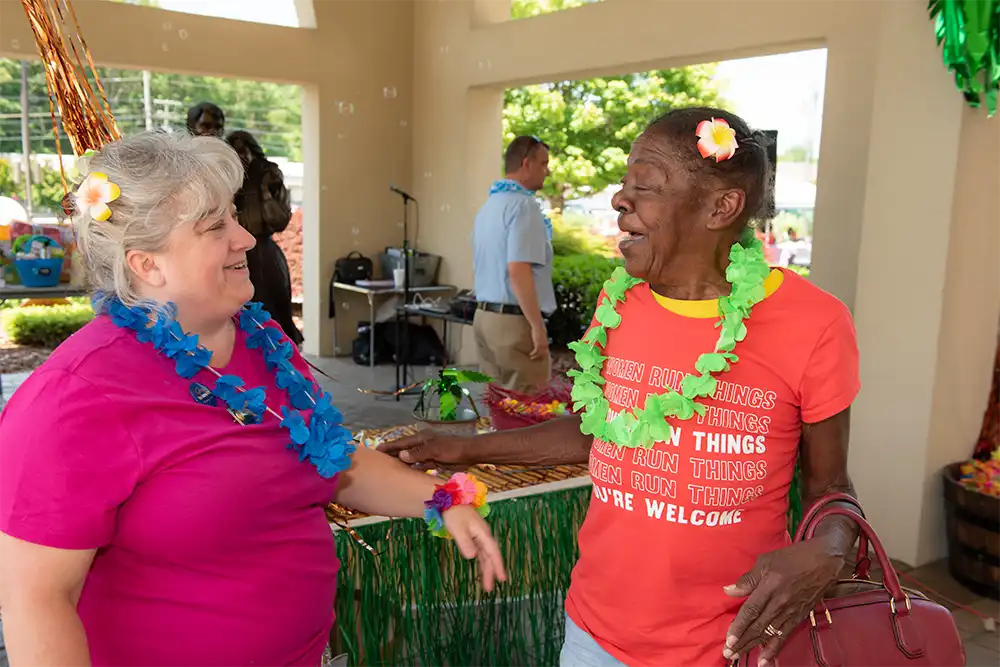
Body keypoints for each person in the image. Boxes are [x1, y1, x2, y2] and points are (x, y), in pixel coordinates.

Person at [0, 131, 506, 667]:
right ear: (147, 264)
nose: (244, 238)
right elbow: (37, 599)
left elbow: (331, 459)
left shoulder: (264, 344)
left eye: (233, 216)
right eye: (216, 226)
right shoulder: (77, 396)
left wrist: (440, 500)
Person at [382, 108, 861, 667]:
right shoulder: (620, 303)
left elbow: (832, 487)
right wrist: (461, 446)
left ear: (721, 206)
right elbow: (601, 435)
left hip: (730, 646)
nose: (618, 200)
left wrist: (830, 548)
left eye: (646, 186)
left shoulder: (814, 323)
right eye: (625, 182)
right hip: (595, 635)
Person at [471, 135, 556, 393]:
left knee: (497, 409)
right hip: (513, 324)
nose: (548, 171)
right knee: (529, 413)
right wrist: (536, 327)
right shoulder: (524, 206)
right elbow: (518, 269)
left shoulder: (488, 207)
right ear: (526, 163)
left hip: (483, 319)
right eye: (543, 164)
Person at [226, 130, 303, 346]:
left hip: (265, 253)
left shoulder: (268, 175)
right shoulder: (227, 181)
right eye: (234, 151)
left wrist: (266, 190)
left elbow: (280, 219)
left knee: (275, 311)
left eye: (244, 150)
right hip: (236, 253)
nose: (241, 156)